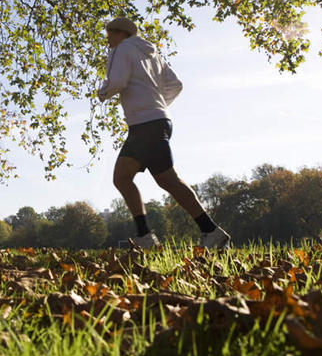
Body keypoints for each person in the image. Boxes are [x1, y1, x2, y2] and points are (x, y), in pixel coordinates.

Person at [97, 17, 230, 249]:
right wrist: (158, 105)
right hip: (158, 122)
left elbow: (116, 81)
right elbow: (175, 85)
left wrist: (102, 91)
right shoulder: (152, 53)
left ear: (120, 33)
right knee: (148, 179)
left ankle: (200, 232)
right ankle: (199, 232)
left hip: (145, 124)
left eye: (109, 33)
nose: (107, 38)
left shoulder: (121, 49)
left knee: (149, 179)